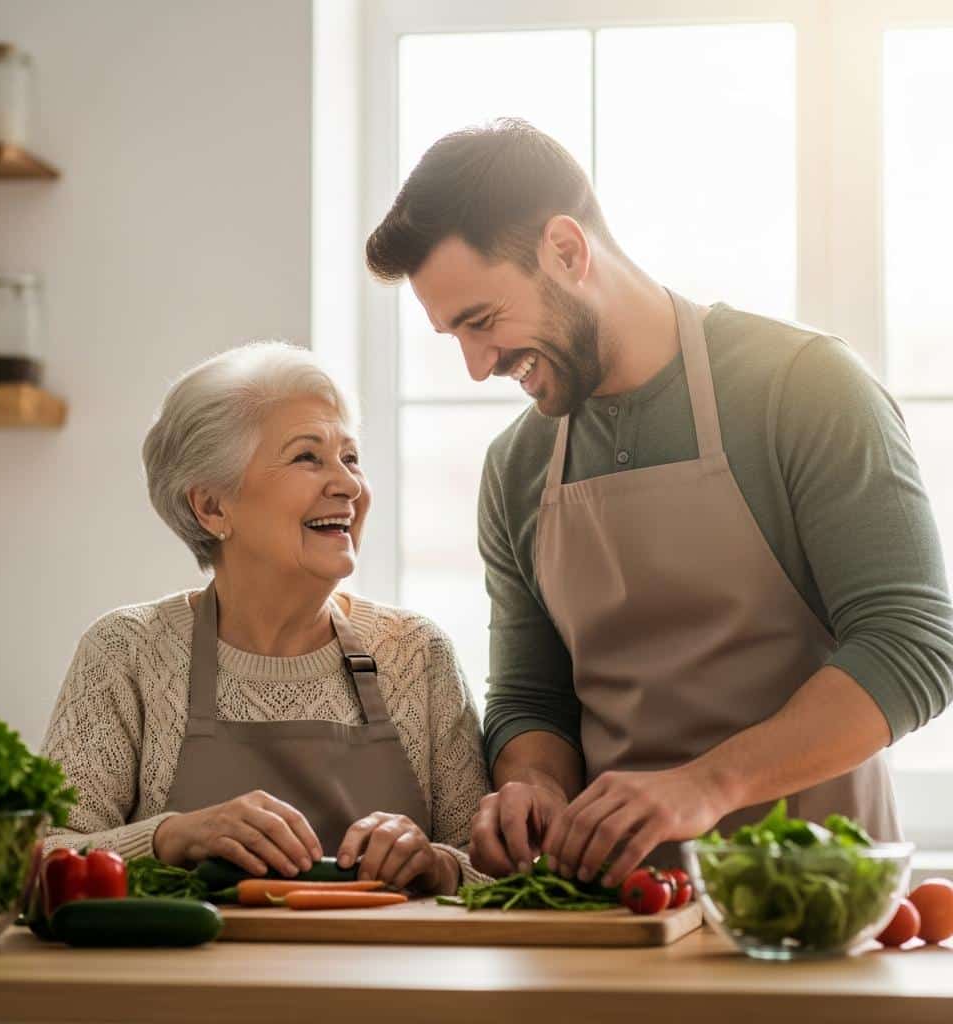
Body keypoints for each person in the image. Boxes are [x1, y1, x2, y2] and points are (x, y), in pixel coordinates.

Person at [365, 118, 953, 889]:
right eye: (454, 337)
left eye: (482, 321)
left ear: (567, 252)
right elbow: (530, 696)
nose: (478, 366)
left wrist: (706, 785)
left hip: (812, 904)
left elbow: (911, 644)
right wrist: (533, 788)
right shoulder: (517, 466)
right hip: (612, 915)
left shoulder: (803, 387)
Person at [40, 341, 489, 894]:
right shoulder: (127, 652)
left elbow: (492, 870)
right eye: (308, 456)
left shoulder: (416, 652)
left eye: (350, 458)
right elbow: (39, 859)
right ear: (211, 506)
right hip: (186, 978)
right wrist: (170, 837)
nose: (348, 484)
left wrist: (438, 864)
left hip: (379, 978)